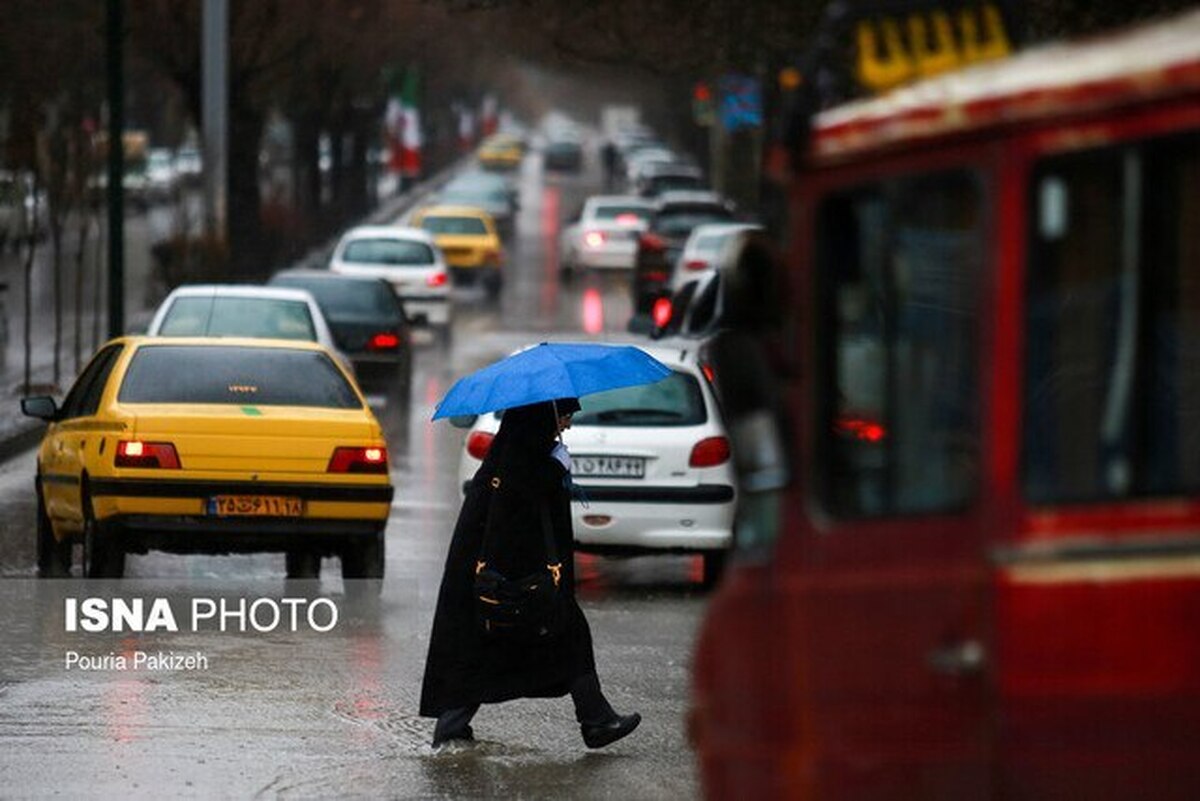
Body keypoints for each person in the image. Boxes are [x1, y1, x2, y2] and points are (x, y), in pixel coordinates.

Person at [419, 397, 641, 748]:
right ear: (544, 416)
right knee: (488, 649)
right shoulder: (521, 456)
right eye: (565, 416)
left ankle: (596, 718)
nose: (567, 425)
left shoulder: (525, 449)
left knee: (556, 640)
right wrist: (554, 469)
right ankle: (451, 729)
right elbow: (516, 509)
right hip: (506, 581)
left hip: (515, 577)